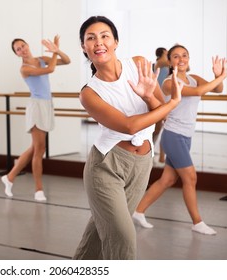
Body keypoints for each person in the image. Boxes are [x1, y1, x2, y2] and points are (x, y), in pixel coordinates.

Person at [73, 16, 182, 260]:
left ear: (115, 42)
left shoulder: (139, 65)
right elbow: (129, 126)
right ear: (84, 47)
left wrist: (148, 97)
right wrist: (173, 102)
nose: (98, 42)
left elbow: (158, 113)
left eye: (104, 36)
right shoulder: (89, 93)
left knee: (96, 237)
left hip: (141, 165)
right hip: (106, 167)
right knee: (123, 238)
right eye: (90, 38)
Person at [133, 44, 226, 235]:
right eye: (176, 56)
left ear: (188, 58)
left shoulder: (194, 78)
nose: (181, 59)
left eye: (185, 55)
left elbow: (217, 89)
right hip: (173, 136)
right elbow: (199, 92)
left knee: (167, 180)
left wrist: (217, 75)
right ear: (170, 61)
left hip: (186, 137)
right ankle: (197, 222)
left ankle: (138, 211)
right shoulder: (169, 82)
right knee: (191, 177)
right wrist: (223, 75)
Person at [0, 35, 70, 201]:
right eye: (18, 49)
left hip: (46, 105)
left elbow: (67, 61)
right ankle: (38, 190)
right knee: (40, 150)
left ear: (27, 45)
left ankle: (9, 177)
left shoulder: (42, 59)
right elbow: (50, 70)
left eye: (23, 45)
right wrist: (54, 52)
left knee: (35, 147)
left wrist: (57, 50)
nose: (22, 49)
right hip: (36, 106)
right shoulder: (24, 69)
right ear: (17, 54)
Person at [152, 47, 170, 164]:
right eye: (167, 51)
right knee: (158, 127)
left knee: (163, 126)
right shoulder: (160, 62)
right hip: (158, 99)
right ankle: (151, 148)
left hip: (165, 99)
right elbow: (170, 61)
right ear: (164, 52)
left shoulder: (166, 64)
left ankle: (159, 153)